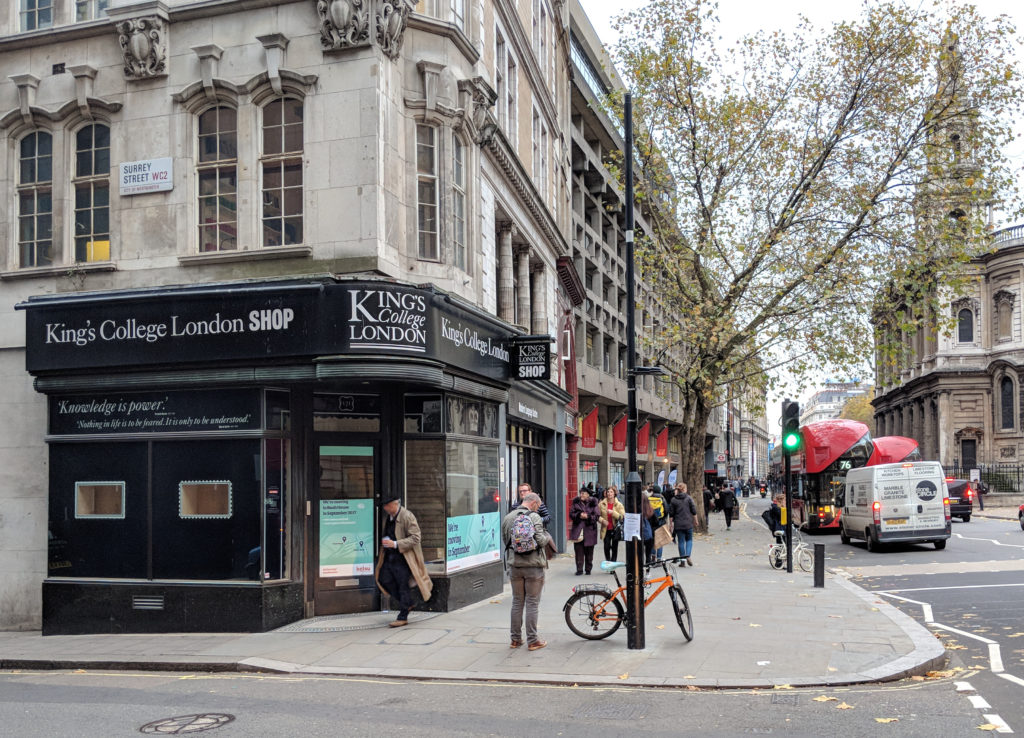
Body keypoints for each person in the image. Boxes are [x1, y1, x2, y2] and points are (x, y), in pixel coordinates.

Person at [501, 491, 551, 651]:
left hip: (515, 565)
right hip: (533, 566)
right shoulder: (534, 517)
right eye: (538, 505)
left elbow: (505, 540)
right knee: (532, 603)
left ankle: (515, 639)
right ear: (534, 503)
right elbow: (541, 541)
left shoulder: (508, 517)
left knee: (517, 602)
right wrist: (548, 536)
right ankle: (533, 640)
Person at [374, 495, 433, 628]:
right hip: (389, 557)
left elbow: (416, 538)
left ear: (395, 504)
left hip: (404, 558)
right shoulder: (388, 518)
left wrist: (395, 543)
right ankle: (408, 603)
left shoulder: (407, 516)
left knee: (402, 585)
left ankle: (403, 616)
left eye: (387, 506)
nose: (385, 508)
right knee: (384, 579)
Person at [570, 486, 600, 575]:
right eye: (581, 493)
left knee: (589, 552)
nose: (581, 495)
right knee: (578, 551)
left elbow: (597, 516)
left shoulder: (593, 503)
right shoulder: (576, 502)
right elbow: (571, 514)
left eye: (583, 493)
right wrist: (579, 515)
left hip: (590, 531)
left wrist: (588, 516)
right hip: (578, 530)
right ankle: (579, 570)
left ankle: (588, 569)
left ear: (588, 495)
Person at [669, 483, 698, 566]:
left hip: (678, 524)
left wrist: (671, 524)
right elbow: (693, 511)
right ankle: (688, 555)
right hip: (688, 523)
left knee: (681, 542)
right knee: (689, 540)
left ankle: (682, 561)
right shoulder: (689, 498)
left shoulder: (673, 500)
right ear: (684, 489)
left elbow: (671, 513)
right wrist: (696, 520)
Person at [598, 485, 625, 562]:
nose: (609, 493)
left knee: (614, 547)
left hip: (615, 529)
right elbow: (597, 516)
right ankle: (608, 561)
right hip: (606, 529)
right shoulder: (601, 504)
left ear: (614, 493)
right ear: (605, 493)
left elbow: (622, 516)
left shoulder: (619, 504)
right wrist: (602, 520)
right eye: (608, 492)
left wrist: (613, 513)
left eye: (611, 492)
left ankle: (613, 565)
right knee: (606, 547)